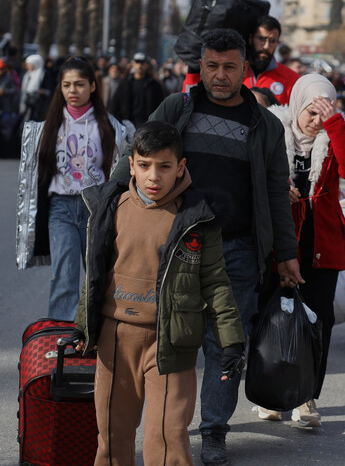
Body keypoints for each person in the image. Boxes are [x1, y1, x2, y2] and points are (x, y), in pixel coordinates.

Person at [108, 28, 301, 466]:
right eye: (211, 66)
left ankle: (214, 431)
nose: (219, 75)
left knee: (226, 345)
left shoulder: (265, 126)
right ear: (201, 67)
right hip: (174, 247)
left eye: (229, 66)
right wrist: (111, 205)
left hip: (236, 250)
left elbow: (275, 194)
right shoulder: (178, 108)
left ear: (245, 69)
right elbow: (136, 157)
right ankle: (162, 433)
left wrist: (285, 254)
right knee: (165, 340)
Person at [73, 121, 246, 466]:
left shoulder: (196, 218)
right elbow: (94, 276)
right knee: (112, 435)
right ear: (132, 164)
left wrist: (232, 340)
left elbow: (215, 282)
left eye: (165, 167)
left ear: (181, 167)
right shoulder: (111, 208)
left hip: (171, 343)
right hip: (115, 339)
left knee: (167, 437)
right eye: (145, 165)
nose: (154, 176)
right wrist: (83, 326)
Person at [256, 74, 345, 427]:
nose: (316, 121)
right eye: (312, 112)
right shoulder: (273, 129)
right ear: (297, 105)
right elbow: (252, 173)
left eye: (323, 112)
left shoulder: (334, 135)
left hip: (321, 242)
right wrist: (278, 186)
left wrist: (336, 124)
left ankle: (307, 398)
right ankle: (270, 392)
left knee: (318, 322)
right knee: (272, 317)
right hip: (278, 239)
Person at [16, 57, 131, 320]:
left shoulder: (112, 128)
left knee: (97, 277)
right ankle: (60, 340)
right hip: (61, 210)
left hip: (96, 210)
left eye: (79, 84)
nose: (72, 90)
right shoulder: (47, 128)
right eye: (66, 85)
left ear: (93, 86)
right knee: (64, 277)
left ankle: (95, 337)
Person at [242, 15, 299, 105]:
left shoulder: (292, 79)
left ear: (277, 43)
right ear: (250, 39)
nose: (266, 46)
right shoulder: (234, 73)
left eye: (272, 41)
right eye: (261, 39)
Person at [109, 52, 164, 129]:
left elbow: (160, 106)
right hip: (127, 124)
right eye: (137, 62)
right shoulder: (125, 83)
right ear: (133, 64)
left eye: (142, 63)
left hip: (147, 126)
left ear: (147, 65)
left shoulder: (154, 85)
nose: (140, 65)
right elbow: (115, 104)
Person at [19, 54, 54, 122]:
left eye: (29, 64)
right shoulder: (26, 75)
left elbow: (49, 89)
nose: (27, 66)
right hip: (28, 103)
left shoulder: (44, 74)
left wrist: (42, 91)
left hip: (40, 105)